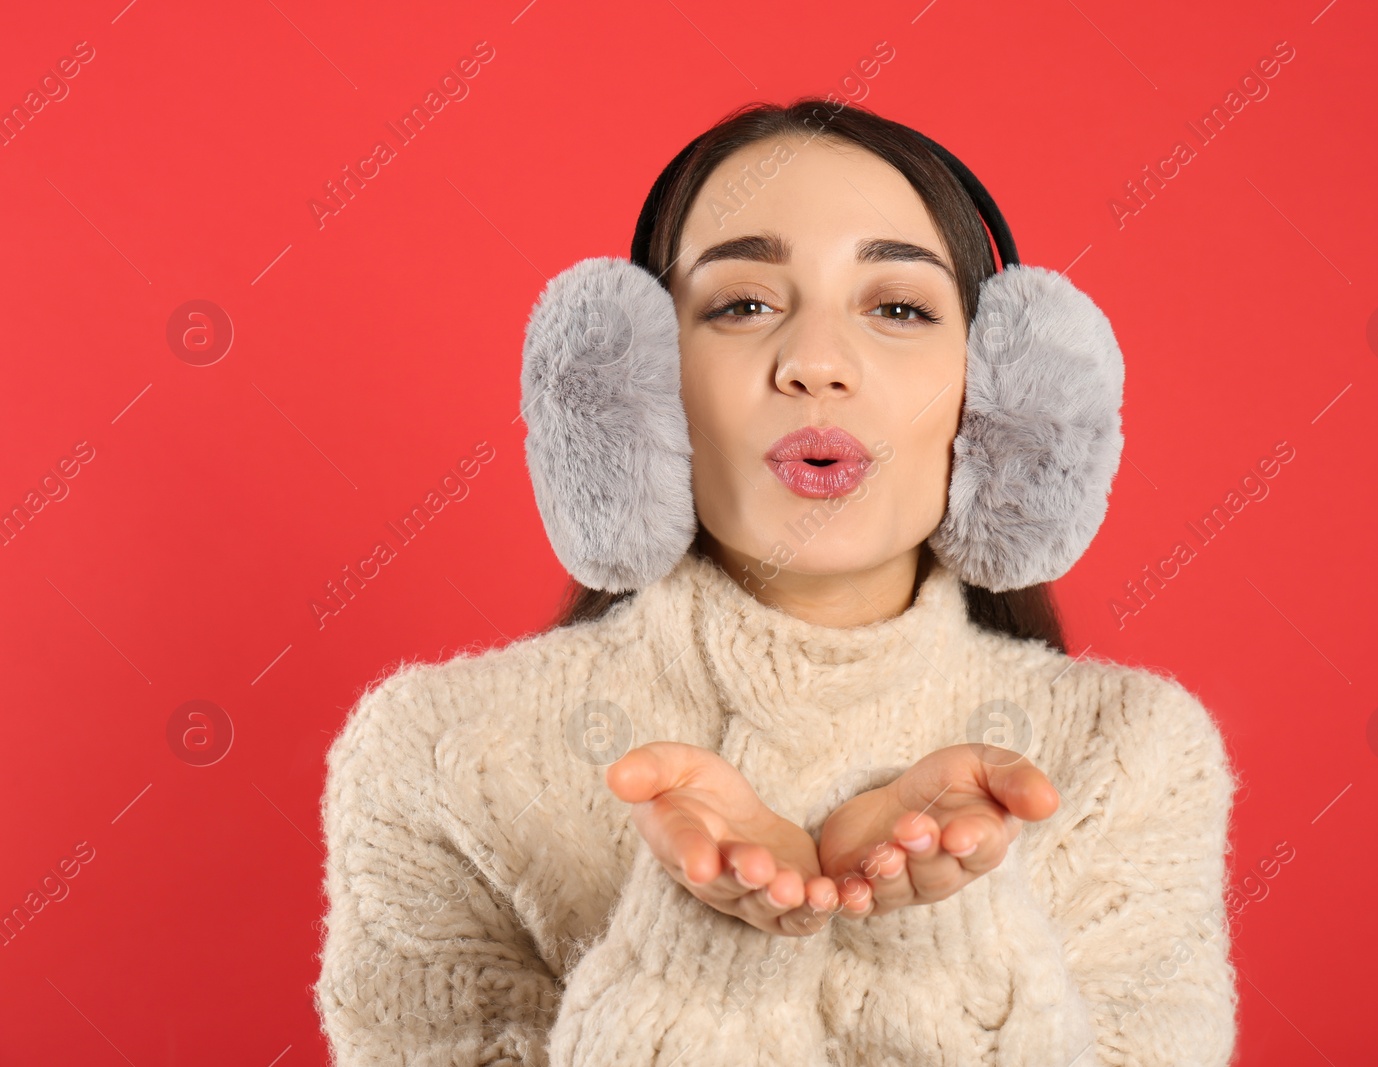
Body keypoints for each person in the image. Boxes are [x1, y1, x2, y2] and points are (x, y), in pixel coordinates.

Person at [314, 98, 1240, 1067]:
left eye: (897, 307)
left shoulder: (1131, 758)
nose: (814, 364)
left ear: (1007, 405)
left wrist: (935, 933)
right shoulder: (439, 754)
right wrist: (701, 958)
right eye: (742, 304)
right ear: (635, 394)